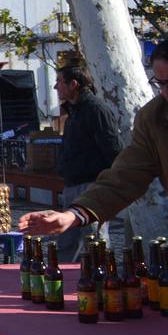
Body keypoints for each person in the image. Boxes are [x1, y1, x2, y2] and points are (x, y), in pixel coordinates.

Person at [20, 37, 168, 243]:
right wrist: (73, 215)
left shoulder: (95, 109)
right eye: (161, 83)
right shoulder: (154, 117)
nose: (167, 92)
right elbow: (125, 175)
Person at [49, 62, 122, 260]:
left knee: (93, 239)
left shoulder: (95, 109)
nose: (56, 87)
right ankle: (61, 282)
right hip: (73, 184)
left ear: (74, 84)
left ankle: (100, 284)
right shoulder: (74, 111)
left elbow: (112, 147)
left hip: (92, 184)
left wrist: (111, 184)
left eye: (59, 82)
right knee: (67, 240)